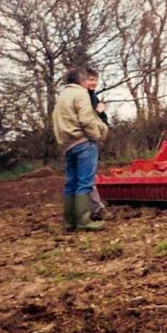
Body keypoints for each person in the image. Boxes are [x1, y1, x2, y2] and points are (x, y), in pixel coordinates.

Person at [52, 67, 109, 232]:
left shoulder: (62, 97)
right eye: (87, 79)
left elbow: (56, 121)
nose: (88, 82)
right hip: (84, 143)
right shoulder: (80, 94)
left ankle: (69, 222)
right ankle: (84, 220)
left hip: (68, 145)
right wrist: (96, 135)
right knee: (85, 182)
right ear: (81, 80)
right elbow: (86, 119)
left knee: (71, 183)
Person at [84, 68, 111, 220]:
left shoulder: (94, 97)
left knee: (86, 175)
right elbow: (89, 118)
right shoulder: (85, 98)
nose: (93, 82)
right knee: (87, 175)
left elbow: (100, 115)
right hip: (88, 138)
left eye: (95, 79)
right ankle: (95, 209)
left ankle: (87, 209)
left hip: (93, 136)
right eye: (90, 79)